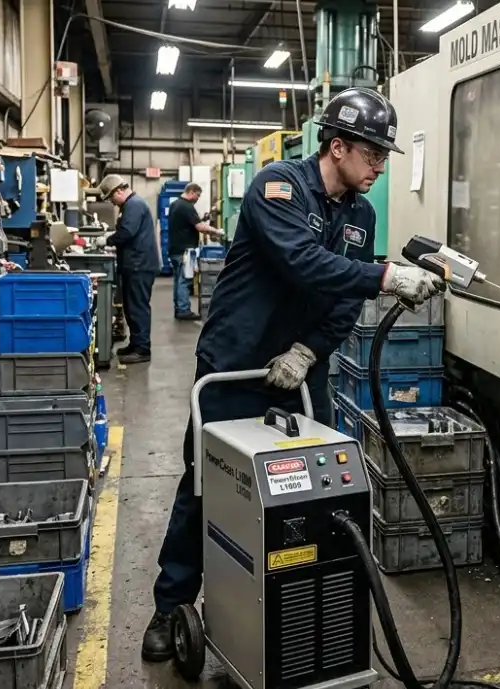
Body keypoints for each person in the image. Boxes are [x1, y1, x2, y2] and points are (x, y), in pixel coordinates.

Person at [141, 87, 446, 662]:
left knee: (314, 491)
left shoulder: (362, 213)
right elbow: (303, 261)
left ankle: (298, 599)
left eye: (385, 157)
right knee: (206, 485)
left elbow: (341, 297)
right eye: (373, 155)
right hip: (235, 365)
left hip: (303, 373)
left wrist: (309, 349)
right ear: (337, 147)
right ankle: (170, 601)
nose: (380, 167)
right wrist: (386, 277)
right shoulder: (277, 188)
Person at [96, 174, 160, 365]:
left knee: (138, 307)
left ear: (119, 191)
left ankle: (142, 349)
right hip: (135, 264)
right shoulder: (131, 205)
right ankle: (136, 343)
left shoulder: (134, 205)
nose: (113, 203)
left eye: (111, 198)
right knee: (132, 308)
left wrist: (107, 240)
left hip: (139, 265)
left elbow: (127, 232)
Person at [168, 183, 224, 321]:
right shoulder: (187, 207)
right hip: (185, 251)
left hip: (175, 249)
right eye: (197, 195)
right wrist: (217, 231)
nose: (197, 199)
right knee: (184, 280)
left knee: (178, 279)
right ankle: (183, 310)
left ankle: (179, 308)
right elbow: (199, 227)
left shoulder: (175, 204)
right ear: (191, 192)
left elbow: (189, 224)